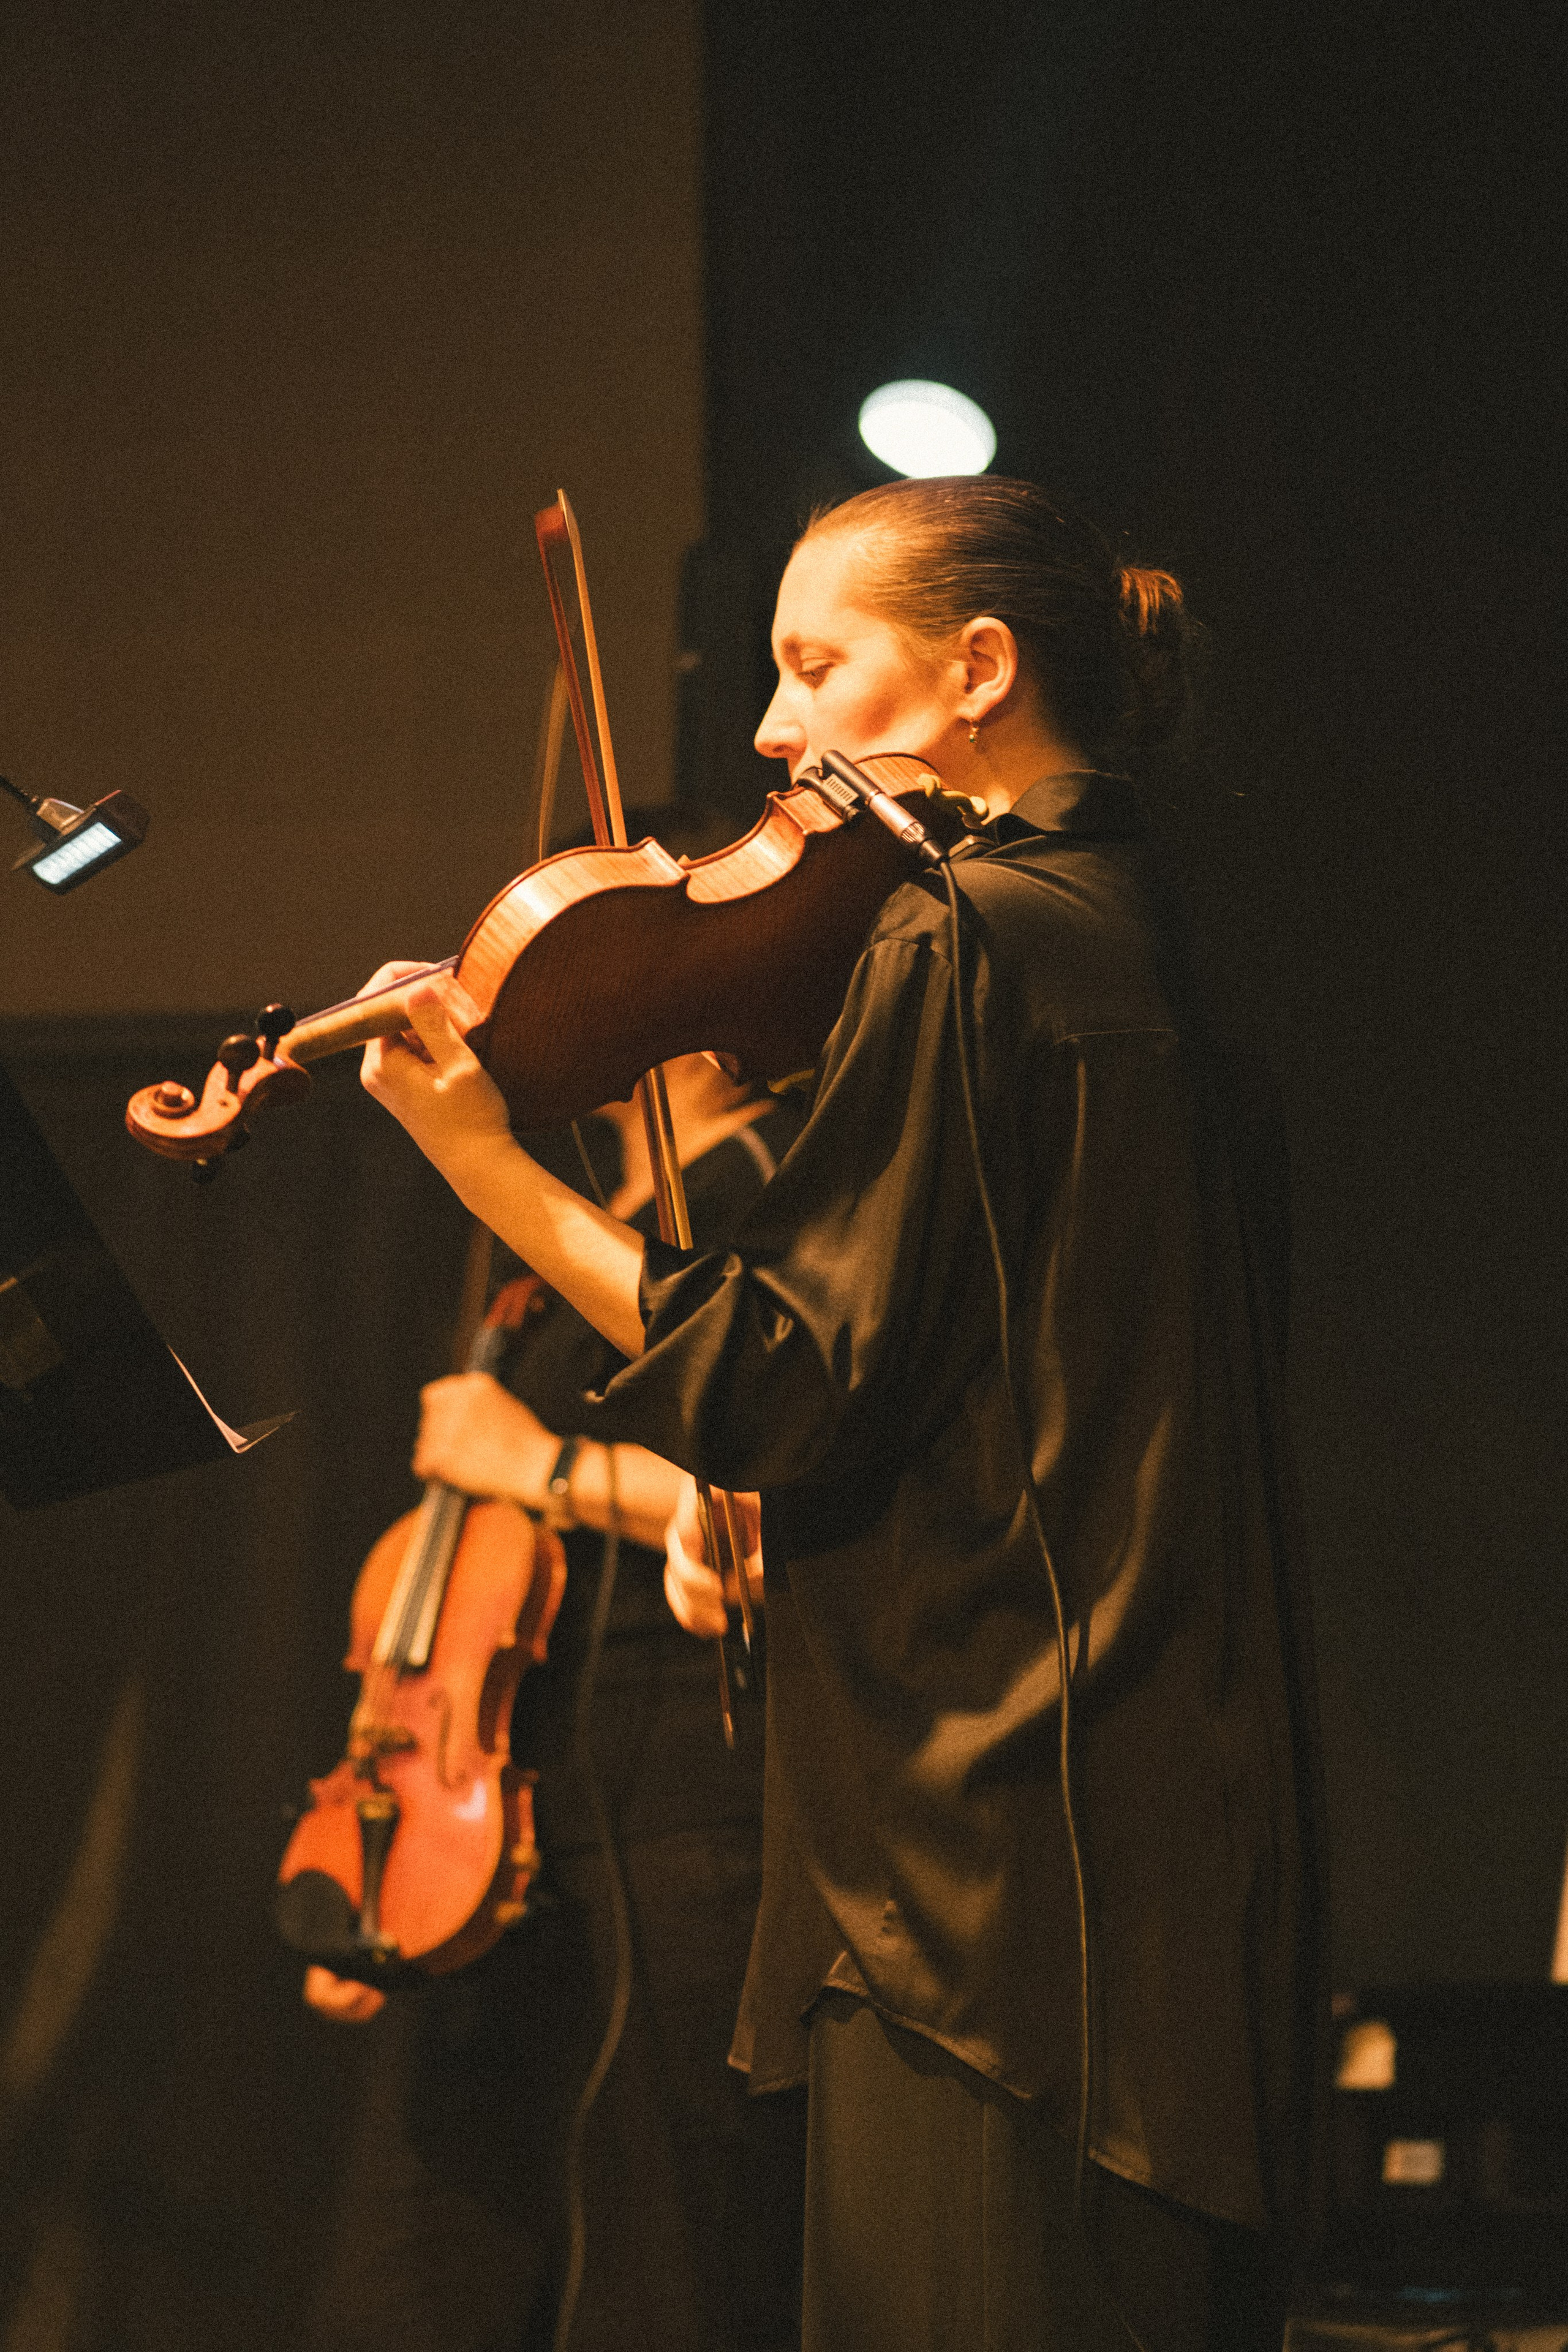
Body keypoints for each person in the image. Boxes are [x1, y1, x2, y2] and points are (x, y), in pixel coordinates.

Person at [357, 478, 1325, 2351]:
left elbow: (778, 1372)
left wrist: (485, 1161)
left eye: (818, 667)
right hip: (1161, 1848)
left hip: (982, 1888)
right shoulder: (1149, 938)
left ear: (978, 670)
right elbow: (1013, 1387)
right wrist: (785, 1526)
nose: (770, 734)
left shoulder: (962, 940)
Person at [306, 832, 806, 2352]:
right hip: (518, 1782)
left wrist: (538, 1468)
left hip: (680, 1786)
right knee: (426, 2262)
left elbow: (785, 1501)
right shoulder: (593, 1203)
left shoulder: (757, 1191)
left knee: (666, 2246)